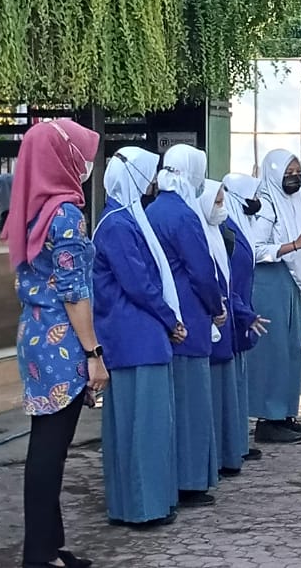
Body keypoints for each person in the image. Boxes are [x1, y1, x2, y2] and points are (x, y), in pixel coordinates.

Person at [0, 120, 107, 568]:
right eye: (82, 157)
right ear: (63, 159)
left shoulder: (30, 208)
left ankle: (47, 547)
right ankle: (38, 555)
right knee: (50, 447)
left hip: (35, 333)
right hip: (63, 339)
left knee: (46, 441)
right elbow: (74, 291)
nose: (86, 166)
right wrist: (94, 354)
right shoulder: (65, 214)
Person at [93, 147, 188, 528]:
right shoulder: (118, 223)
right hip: (134, 337)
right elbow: (138, 284)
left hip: (140, 335)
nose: (152, 182)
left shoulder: (127, 218)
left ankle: (147, 503)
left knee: (144, 426)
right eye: (148, 174)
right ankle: (141, 507)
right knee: (141, 427)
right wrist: (170, 319)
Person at [145, 144, 223, 507]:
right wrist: (216, 306)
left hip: (162, 318)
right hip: (190, 315)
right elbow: (201, 270)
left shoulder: (151, 210)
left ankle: (173, 478)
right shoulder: (184, 214)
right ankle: (190, 481)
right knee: (192, 403)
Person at [245, 149, 301, 444]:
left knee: (290, 350)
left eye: (298, 172)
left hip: (290, 284)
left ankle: (287, 414)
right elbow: (256, 248)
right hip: (269, 281)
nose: (294, 178)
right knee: (273, 352)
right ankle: (268, 420)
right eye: (288, 174)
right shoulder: (266, 204)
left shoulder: (293, 202)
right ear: (274, 174)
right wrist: (293, 244)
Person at [200, 178, 270, 476]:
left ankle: (234, 445)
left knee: (233, 387)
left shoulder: (231, 227)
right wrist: (238, 311)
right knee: (217, 392)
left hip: (235, 317)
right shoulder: (215, 232)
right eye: (217, 201)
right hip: (222, 319)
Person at [221, 172, 271, 462]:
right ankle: (232, 444)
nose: (256, 202)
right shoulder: (228, 230)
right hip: (234, 311)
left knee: (239, 381)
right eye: (252, 195)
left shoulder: (243, 225)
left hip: (241, 312)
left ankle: (238, 442)